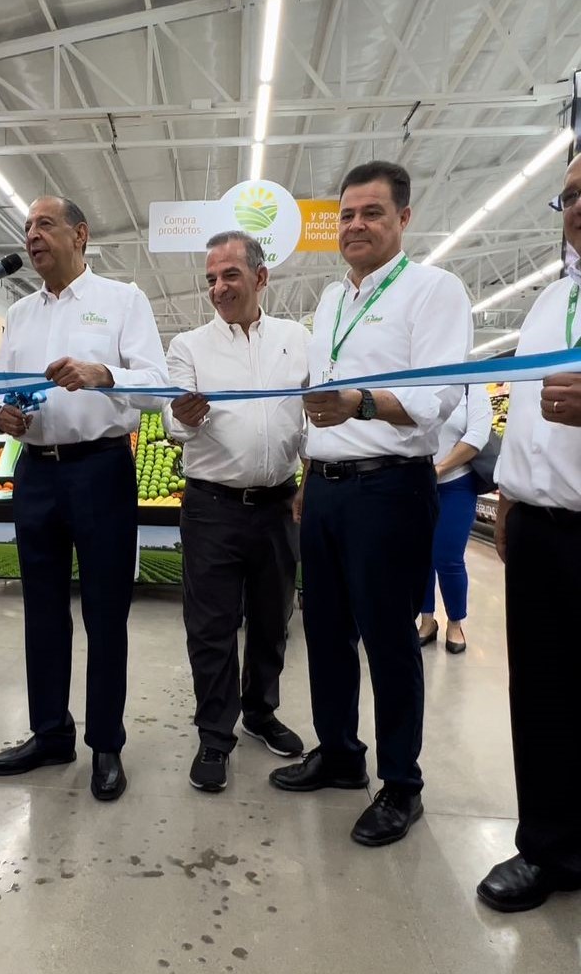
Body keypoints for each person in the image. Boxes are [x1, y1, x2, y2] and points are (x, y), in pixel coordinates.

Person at [270, 161, 473, 847]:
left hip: (391, 487)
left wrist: (362, 400)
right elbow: (321, 404)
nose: (356, 225)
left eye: (372, 213)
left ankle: (402, 784)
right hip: (327, 488)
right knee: (325, 631)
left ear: (403, 220)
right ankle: (339, 753)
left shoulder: (432, 291)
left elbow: (438, 396)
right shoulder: (331, 300)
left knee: (388, 640)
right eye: (348, 215)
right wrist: (307, 474)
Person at [0, 195, 167, 801]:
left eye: (44, 224)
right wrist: (2, 417)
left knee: (106, 613)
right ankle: (50, 731)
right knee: (43, 610)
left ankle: (106, 743)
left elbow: (158, 390)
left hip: (100, 470)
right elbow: (1, 394)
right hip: (37, 474)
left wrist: (103, 374)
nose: (32, 235)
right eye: (26, 226)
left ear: (80, 235)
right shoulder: (20, 312)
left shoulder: (123, 300)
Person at [163, 230, 308, 792]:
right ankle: (214, 734)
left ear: (261, 277)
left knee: (273, 620)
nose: (219, 288)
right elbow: (174, 425)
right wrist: (187, 416)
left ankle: (261, 713)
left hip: (278, 505)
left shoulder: (297, 340)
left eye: (230, 275)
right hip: (212, 508)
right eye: (211, 279)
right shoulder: (189, 346)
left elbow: (312, 417)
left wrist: (309, 482)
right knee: (212, 625)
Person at [476, 154, 581, 912]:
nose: (578, 206)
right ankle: (545, 847)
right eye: (570, 195)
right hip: (541, 527)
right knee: (541, 693)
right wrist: (508, 493)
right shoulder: (549, 303)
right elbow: (524, 410)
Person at [417, 384, 493, 654]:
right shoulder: (424, 381)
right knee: (421, 555)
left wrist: (439, 468)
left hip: (457, 484)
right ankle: (427, 620)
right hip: (417, 485)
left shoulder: (472, 387)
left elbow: (477, 434)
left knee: (448, 556)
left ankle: (455, 622)